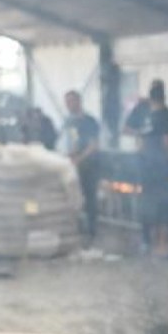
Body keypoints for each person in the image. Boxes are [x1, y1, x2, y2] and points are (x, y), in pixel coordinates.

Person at [137, 80, 168, 257]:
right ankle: (163, 246)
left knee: (150, 205)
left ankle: (148, 243)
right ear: (164, 97)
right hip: (163, 169)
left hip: (146, 167)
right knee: (167, 205)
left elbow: (141, 142)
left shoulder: (146, 116)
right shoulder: (165, 115)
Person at [60, 90, 103, 240]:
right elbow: (74, 141)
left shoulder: (89, 121)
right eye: (67, 102)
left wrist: (80, 158)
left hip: (90, 165)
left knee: (90, 197)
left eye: (71, 101)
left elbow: (93, 145)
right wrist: (70, 155)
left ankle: (92, 229)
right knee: (74, 196)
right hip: (75, 164)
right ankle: (77, 227)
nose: (68, 105)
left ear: (78, 102)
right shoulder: (70, 122)